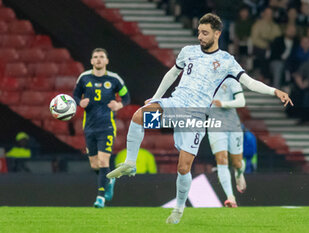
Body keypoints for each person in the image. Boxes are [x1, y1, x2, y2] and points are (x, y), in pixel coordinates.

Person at [107, 13, 293, 224]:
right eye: (199, 32)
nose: (200, 37)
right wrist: (157, 97)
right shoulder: (188, 52)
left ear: (217, 33)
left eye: (205, 33)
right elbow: (171, 75)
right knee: (139, 115)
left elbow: (249, 83)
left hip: (195, 117)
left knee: (183, 168)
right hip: (176, 105)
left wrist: (274, 91)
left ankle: (178, 208)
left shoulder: (226, 61)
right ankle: (131, 163)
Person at [73, 48, 130, 208]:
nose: (98, 59)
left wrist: (119, 104)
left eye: (101, 57)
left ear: (107, 61)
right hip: (89, 127)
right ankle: (109, 179)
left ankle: (100, 198)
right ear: (91, 61)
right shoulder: (84, 78)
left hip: (106, 127)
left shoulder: (114, 79)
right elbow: (75, 95)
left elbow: (126, 96)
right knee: (94, 164)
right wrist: (79, 102)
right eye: (95, 57)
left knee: (104, 160)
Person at [207, 78, 246, 208]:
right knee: (222, 160)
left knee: (237, 163)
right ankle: (230, 198)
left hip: (233, 124)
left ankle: (239, 173)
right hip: (215, 124)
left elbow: (242, 101)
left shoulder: (233, 81)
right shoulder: (204, 80)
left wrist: (222, 104)